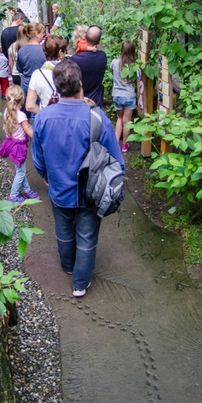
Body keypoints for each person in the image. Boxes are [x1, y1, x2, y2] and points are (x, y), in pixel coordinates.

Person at [32, 59, 123, 298]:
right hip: (91, 192)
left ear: (57, 87)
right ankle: (80, 284)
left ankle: (68, 266)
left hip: (59, 187)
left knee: (63, 230)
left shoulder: (43, 117)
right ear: (80, 84)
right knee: (87, 236)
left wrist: (45, 176)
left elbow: (38, 157)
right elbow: (116, 160)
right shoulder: (97, 117)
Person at [0, 86, 40, 203]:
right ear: (22, 98)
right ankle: (13, 195)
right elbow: (29, 131)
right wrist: (40, 135)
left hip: (10, 144)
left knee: (20, 169)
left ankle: (27, 190)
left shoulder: (7, 111)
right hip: (18, 147)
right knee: (20, 172)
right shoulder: (21, 115)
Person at [26, 35, 68, 114]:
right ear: (60, 53)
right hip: (66, 116)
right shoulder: (70, 71)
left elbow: (30, 106)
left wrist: (44, 113)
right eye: (65, 50)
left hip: (46, 118)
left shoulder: (37, 74)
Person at [111, 40, 138, 153]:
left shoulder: (114, 62)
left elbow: (112, 72)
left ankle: (115, 142)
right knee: (127, 122)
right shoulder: (135, 66)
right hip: (129, 96)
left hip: (117, 94)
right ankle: (124, 145)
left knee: (119, 118)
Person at [71, 25, 107, 108]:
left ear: (85, 38)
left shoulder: (75, 59)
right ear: (99, 41)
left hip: (79, 101)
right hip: (96, 101)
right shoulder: (102, 57)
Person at [15, 22, 47, 98]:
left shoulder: (21, 50)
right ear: (37, 34)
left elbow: (19, 68)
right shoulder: (44, 50)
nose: (44, 35)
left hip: (27, 84)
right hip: (41, 84)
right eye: (42, 33)